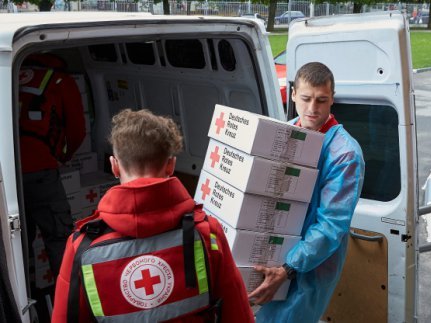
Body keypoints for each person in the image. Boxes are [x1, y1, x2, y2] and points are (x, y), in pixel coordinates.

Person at [51, 109, 254, 322]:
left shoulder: (82, 247)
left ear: (115, 166)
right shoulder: (206, 232)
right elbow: (237, 313)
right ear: (171, 165)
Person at [249, 62, 365, 323]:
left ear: (332, 99)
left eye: (322, 100)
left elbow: (331, 225)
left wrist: (288, 268)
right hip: (272, 257)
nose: (312, 109)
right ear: (292, 95)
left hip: (308, 268)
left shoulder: (344, 153)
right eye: (306, 98)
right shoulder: (287, 131)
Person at [19, 53, 86, 279]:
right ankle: (66, 303)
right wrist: (62, 157)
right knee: (59, 240)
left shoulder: (10, 73)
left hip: (7, 175)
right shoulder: (60, 80)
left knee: (17, 241)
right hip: (42, 172)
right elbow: (77, 131)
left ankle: (24, 297)